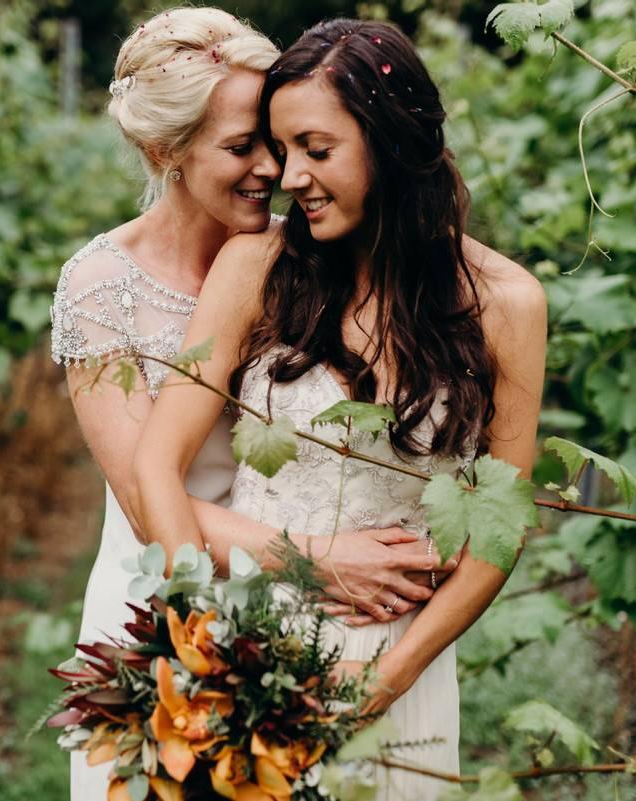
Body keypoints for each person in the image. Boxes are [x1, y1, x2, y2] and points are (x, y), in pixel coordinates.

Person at [134, 17, 547, 798]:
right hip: (246, 644)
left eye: (316, 150)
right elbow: (157, 463)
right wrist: (198, 644)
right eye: (283, 151)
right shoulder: (256, 265)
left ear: (391, 142)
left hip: (395, 666)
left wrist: (389, 676)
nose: (288, 176)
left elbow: (503, 524)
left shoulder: (508, 303)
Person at [50, 10, 456, 798]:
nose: (271, 168)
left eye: (273, 140)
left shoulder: (303, 252)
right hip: (167, 603)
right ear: (165, 151)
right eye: (241, 147)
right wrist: (317, 558)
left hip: (306, 623)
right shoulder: (100, 285)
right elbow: (145, 500)